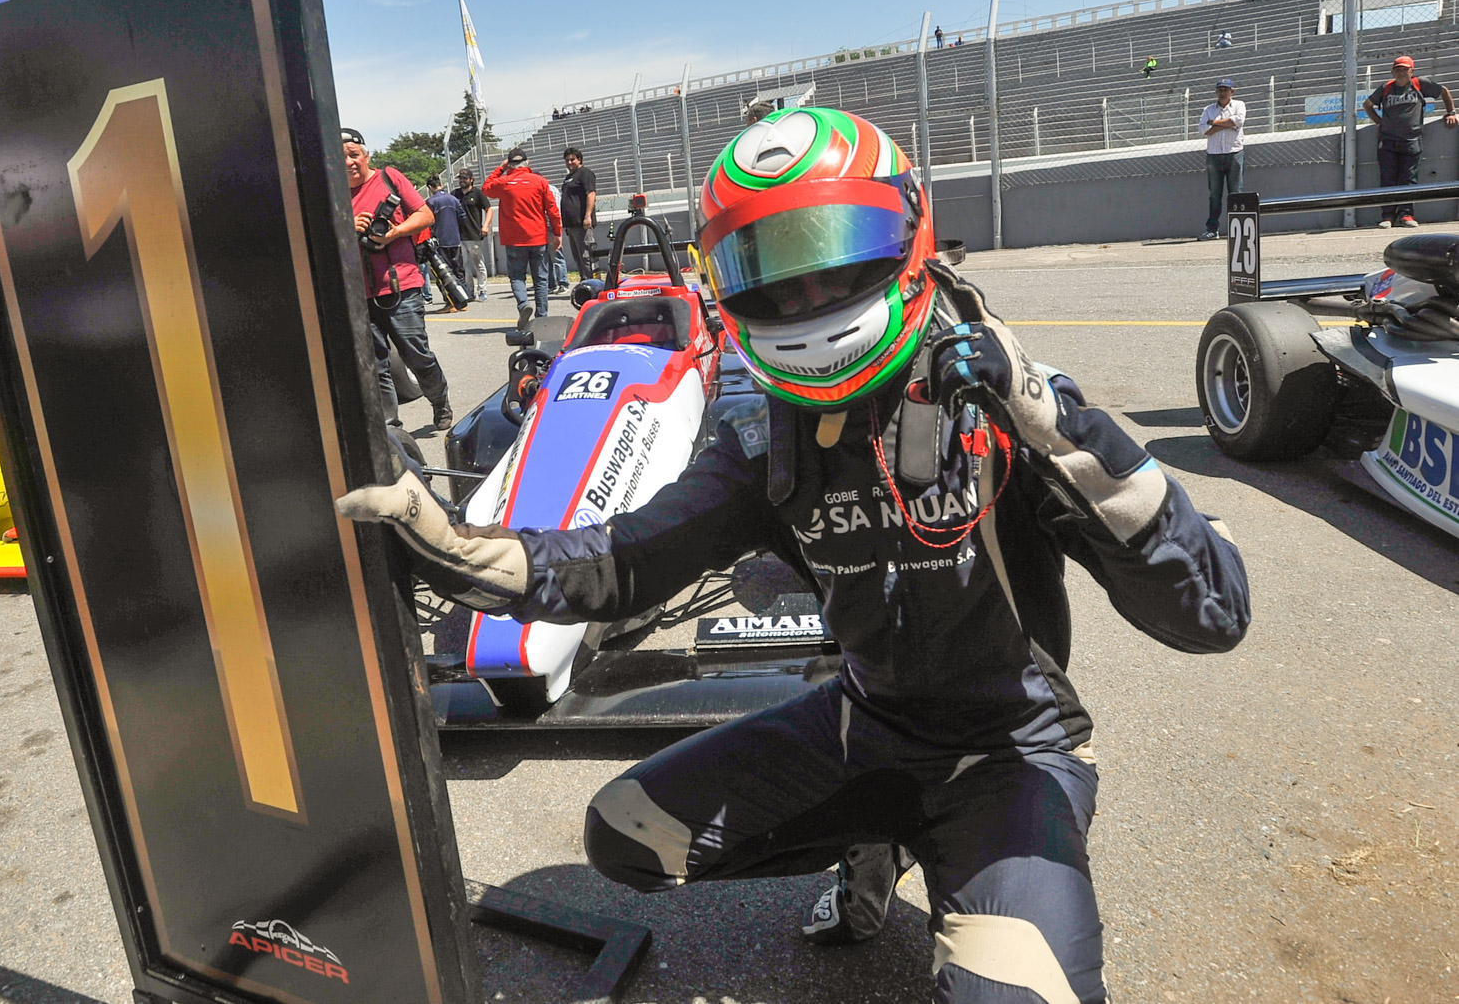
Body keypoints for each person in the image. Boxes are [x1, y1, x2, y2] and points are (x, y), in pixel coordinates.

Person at [336, 107, 1250, 1004]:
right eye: (768, 271)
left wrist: (1055, 425)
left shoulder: (1005, 405)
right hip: (867, 722)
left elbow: (1214, 613)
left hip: (1009, 748)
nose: (805, 298)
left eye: (832, 256)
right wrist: (455, 549)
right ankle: (878, 837)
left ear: (907, 233)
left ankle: (948, 857)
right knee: (624, 831)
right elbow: (624, 556)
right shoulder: (767, 441)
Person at [342, 128, 454, 431]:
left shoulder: (388, 177)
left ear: (366, 156)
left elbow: (425, 215)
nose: (349, 162)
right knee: (375, 364)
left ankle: (439, 400)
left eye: (354, 155)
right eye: (341, 158)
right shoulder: (332, 194)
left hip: (400, 286)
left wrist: (393, 232)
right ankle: (391, 429)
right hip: (358, 292)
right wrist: (346, 225)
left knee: (417, 355)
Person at [1364, 55, 1459, 227]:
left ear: (1411, 71)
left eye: (1404, 69)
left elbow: (1443, 91)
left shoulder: (1419, 84)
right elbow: (1367, 105)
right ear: (1393, 72)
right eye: (1397, 70)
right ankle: (1387, 217)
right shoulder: (1386, 87)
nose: (1401, 73)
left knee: (1409, 179)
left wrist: (1451, 112)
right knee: (1387, 179)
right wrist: (1379, 122)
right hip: (1388, 141)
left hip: (1412, 140)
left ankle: (1406, 215)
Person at [482, 147, 561, 323]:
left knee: (517, 276)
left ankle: (524, 304)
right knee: (541, 278)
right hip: (537, 237)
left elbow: (486, 188)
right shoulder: (540, 181)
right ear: (527, 162)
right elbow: (553, 210)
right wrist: (557, 233)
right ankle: (541, 317)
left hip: (514, 239)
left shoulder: (504, 183)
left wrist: (501, 168)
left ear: (509, 164)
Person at [1198, 78, 1245, 240]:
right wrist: (1228, 124)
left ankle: (1237, 228)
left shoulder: (1239, 105)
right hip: (1214, 155)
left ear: (1232, 91)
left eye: (1225, 90)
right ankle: (1212, 229)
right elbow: (1203, 130)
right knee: (1215, 194)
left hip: (1234, 153)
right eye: (1220, 90)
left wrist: (1215, 123)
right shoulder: (1208, 109)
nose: (1222, 93)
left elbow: (1239, 121)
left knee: (1236, 192)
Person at [424, 176, 469, 312]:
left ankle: (450, 303)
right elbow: (463, 217)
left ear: (430, 187)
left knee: (443, 273)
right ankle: (463, 302)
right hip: (455, 239)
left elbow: (426, 221)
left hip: (440, 241)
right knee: (458, 271)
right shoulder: (453, 199)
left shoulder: (431, 202)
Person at [454, 168, 493, 302]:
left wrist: (486, 225)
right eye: (460, 178)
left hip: (474, 234)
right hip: (459, 235)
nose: (462, 181)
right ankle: (469, 291)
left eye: (465, 178)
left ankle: (482, 290)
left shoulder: (477, 193)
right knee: (464, 266)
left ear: (471, 180)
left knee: (478, 264)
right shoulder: (455, 194)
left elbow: (489, 209)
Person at [561, 147, 598, 281]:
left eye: (572, 159)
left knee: (587, 255)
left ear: (579, 160)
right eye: (567, 160)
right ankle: (584, 281)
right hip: (571, 225)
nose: (569, 162)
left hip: (582, 224)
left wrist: (587, 216)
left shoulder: (585, 173)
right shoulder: (569, 177)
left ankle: (593, 282)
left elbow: (591, 194)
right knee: (578, 256)